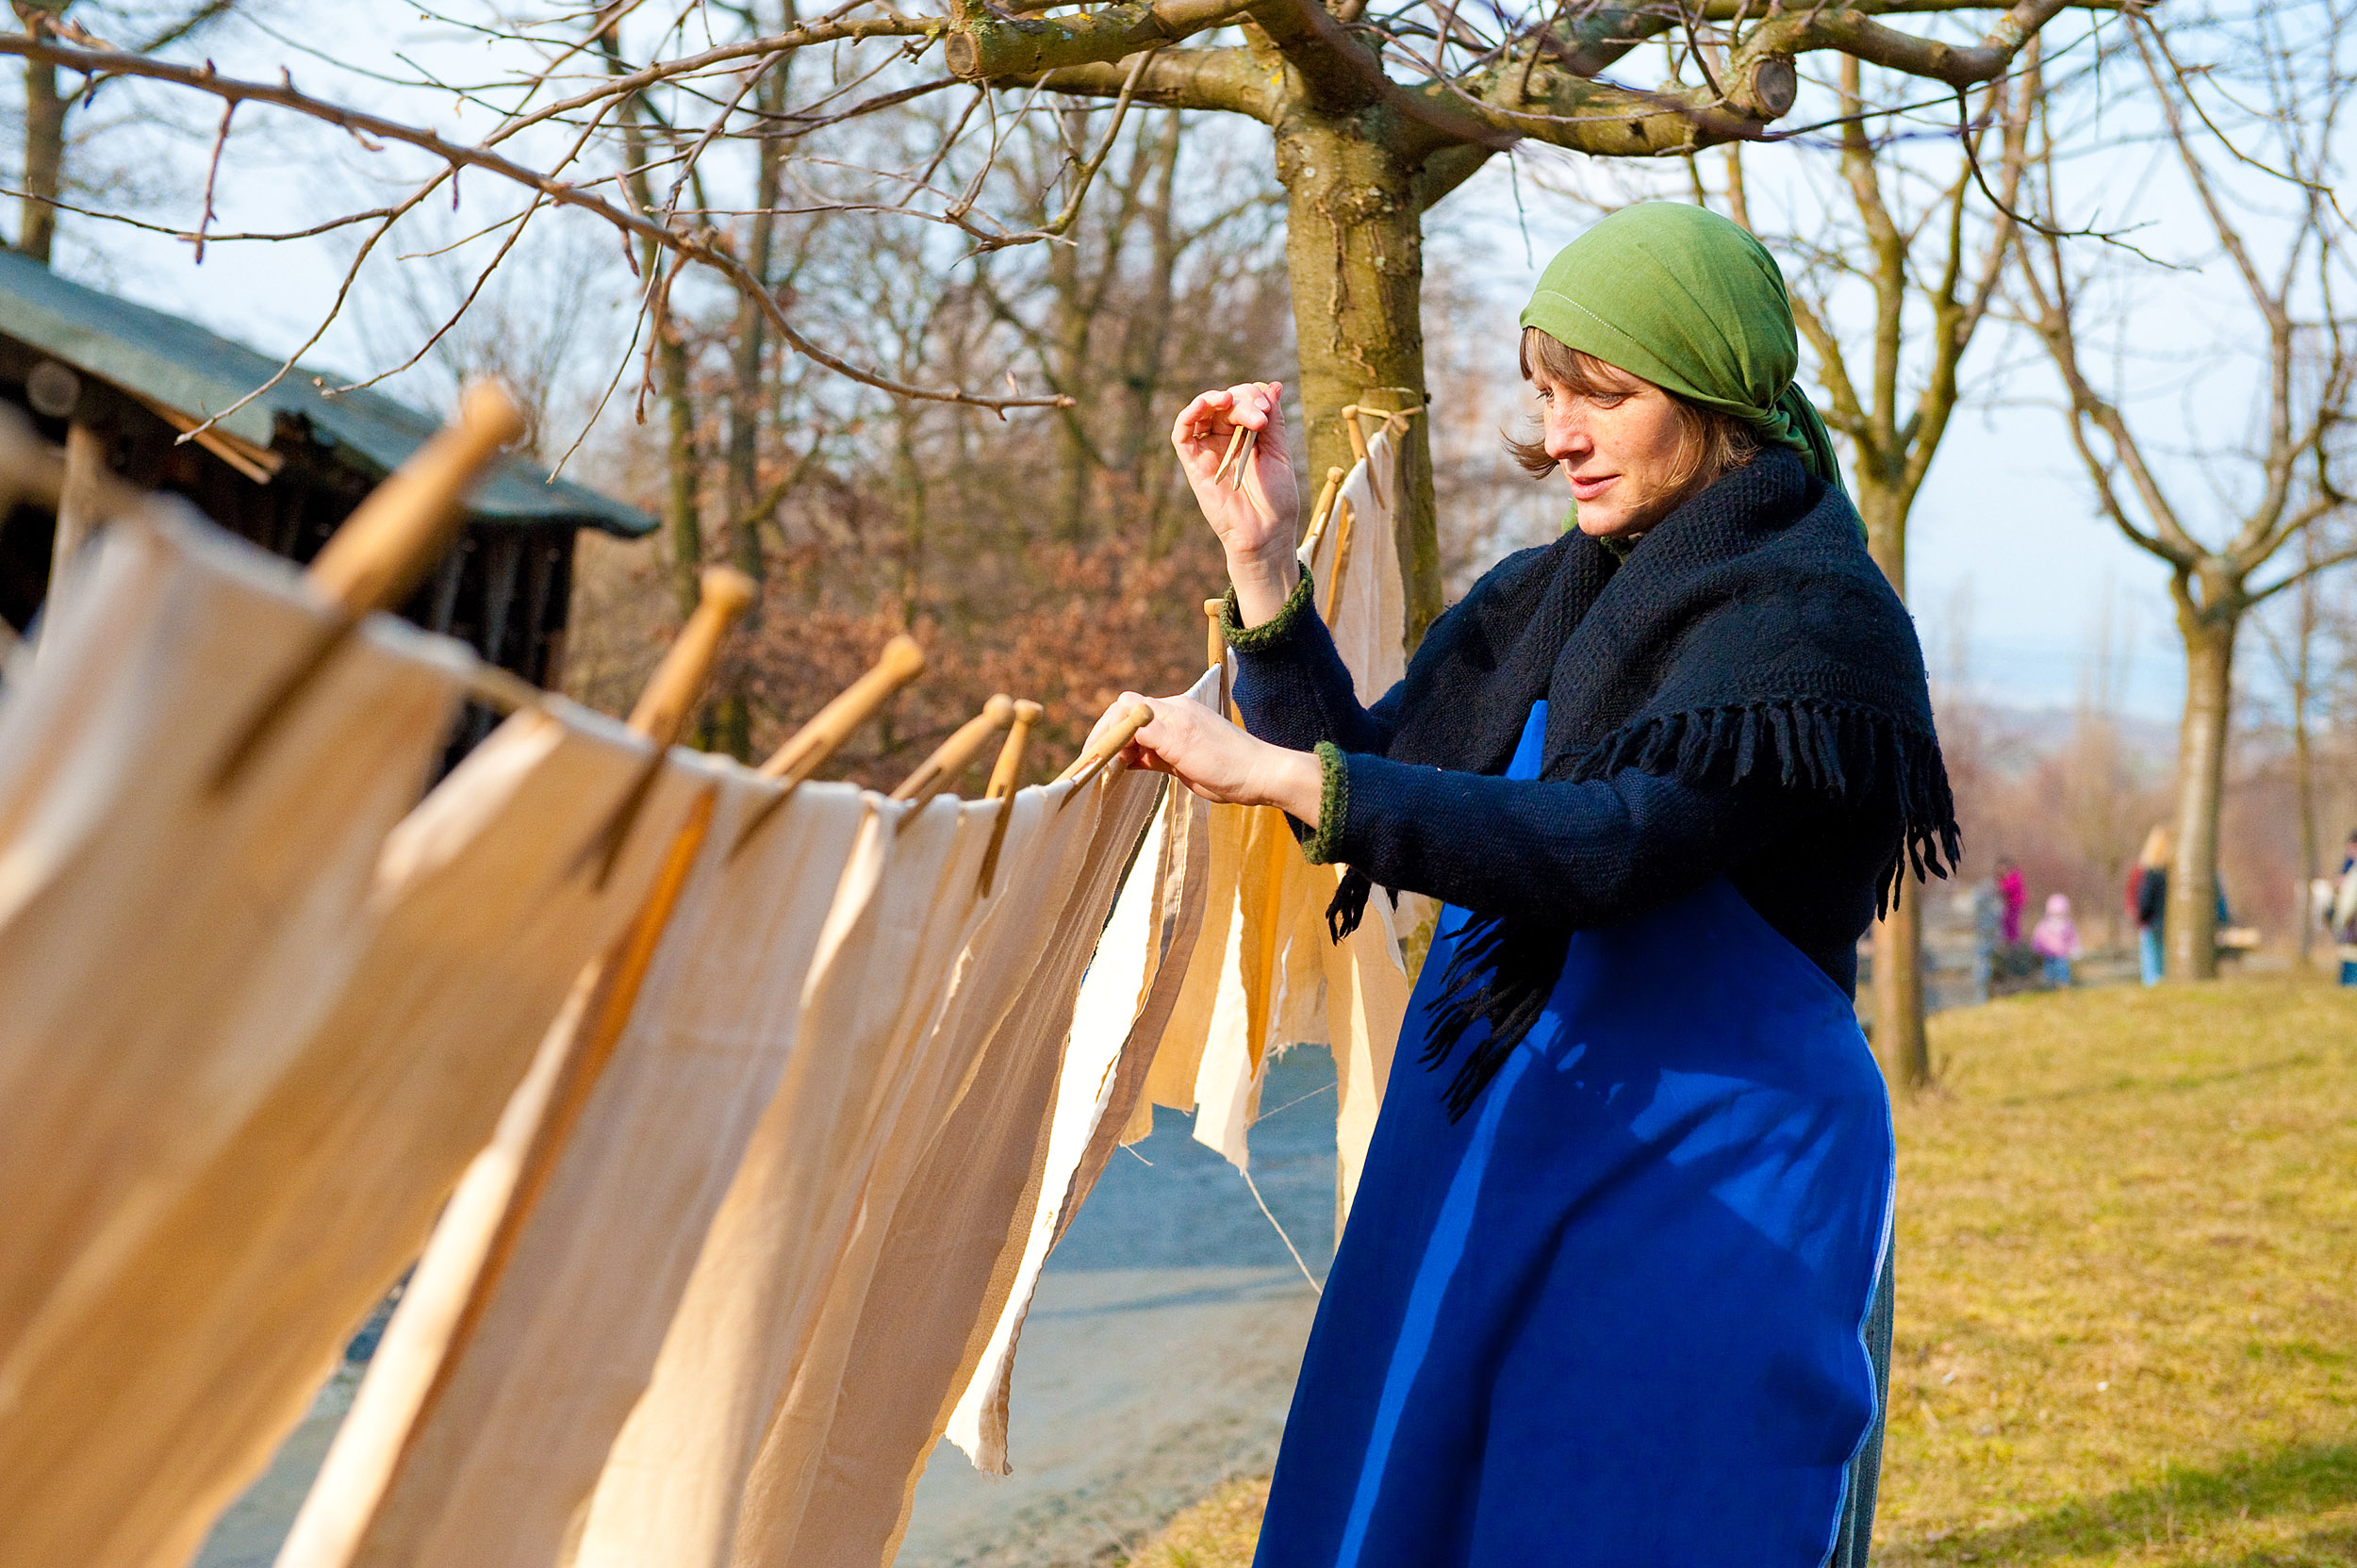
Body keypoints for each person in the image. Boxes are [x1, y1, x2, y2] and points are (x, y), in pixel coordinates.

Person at [1092, 204, 1958, 1568]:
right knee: (1420, 1508)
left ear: (1719, 392)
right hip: (1504, 1144)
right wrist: (1262, 568)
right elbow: (1386, 774)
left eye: (1603, 395)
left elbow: (1613, 843)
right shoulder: (1548, 594)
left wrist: (1278, 778)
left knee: (1643, 1522)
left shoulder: (1810, 623)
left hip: (1712, 1186)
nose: (1558, 434)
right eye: (1550, 394)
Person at [2134, 825, 2169, 986]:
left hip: (2152, 921)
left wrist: (2141, 916)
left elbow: (2146, 899)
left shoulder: (2152, 872)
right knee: (2164, 958)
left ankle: (2153, 986)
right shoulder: (2171, 873)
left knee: (2151, 962)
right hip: (2168, 923)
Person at [2031, 892, 2081, 986]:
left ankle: (2063, 982)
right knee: (2049, 968)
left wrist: (2074, 949)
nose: (2057, 917)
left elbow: (2072, 938)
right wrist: (2036, 947)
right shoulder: (2045, 925)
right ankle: (2050, 982)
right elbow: (2039, 936)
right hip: (2048, 953)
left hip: (2062, 953)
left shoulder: (2067, 925)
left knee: (2062, 967)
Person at [1997, 857, 2027, 946]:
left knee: (2013, 923)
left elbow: (2008, 887)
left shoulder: (2014, 876)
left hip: (2015, 903)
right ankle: (2007, 938)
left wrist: (2000, 887)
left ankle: (2014, 940)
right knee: (2006, 921)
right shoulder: (2007, 877)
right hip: (2009, 904)